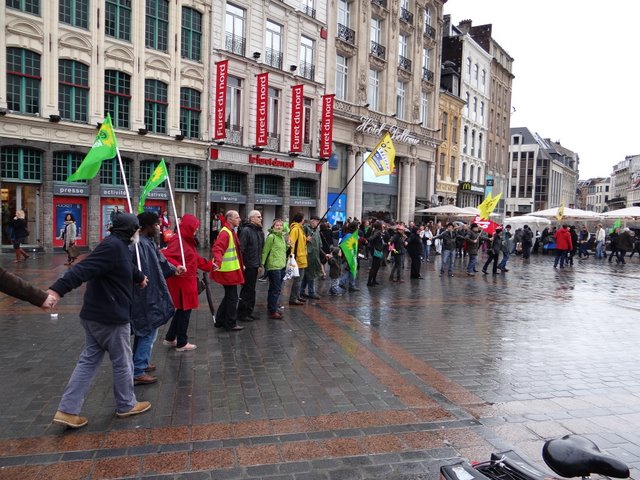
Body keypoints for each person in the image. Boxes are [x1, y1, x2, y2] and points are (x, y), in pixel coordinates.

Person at [46, 213, 151, 429]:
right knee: (123, 362)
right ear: (131, 231)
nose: (138, 233)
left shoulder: (117, 246)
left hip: (95, 315)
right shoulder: (112, 247)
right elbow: (82, 270)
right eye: (137, 230)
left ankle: (67, 410)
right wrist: (56, 291)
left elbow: (124, 266)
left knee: (88, 361)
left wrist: (139, 277)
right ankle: (126, 404)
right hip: (110, 317)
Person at [131, 212, 185, 385]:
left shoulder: (147, 243)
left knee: (146, 329)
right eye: (156, 224)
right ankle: (138, 369)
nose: (158, 228)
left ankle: (141, 361)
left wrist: (173, 268)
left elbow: (160, 261)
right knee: (148, 329)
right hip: (145, 293)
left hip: (150, 290)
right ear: (146, 226)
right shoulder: (138, 245)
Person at [163, 214, 213, 350]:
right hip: (182, 280)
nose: (196, 230)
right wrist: (177, 266)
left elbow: (194, 258)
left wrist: (209, 265)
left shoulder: (186, 240)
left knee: (182, 310)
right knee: (184, 311)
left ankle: (170, 337)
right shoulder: (178, 240)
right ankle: (182, 342)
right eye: (194, 228)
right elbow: (166, 256)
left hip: (187, 280)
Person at [211, 210, 245, 331]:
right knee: (232, 298)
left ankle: (220, 320)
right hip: (228, 271)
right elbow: (218, 248)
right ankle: (230, 323)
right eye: (237, 217)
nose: (239, 219)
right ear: (229, 219)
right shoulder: (226, 232)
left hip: (230, 270)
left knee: (229, 296)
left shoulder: (230, 231)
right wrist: (218, 262)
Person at [237, 210, 265, 322]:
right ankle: (242, 313)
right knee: (247, 290)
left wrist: (259, 264)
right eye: (258, 217)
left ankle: (249, 311)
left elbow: (259, 249)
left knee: (252, 290)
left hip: (255, 265)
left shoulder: (259, 231)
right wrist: (242, 264)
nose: (261, 218)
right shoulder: (246, 231)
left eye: (261, 216)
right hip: (248, 265)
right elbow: (241, 249)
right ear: (252, 218)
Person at [261, 218, 287, 319]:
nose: (279, 227)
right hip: (273, 266)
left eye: (281, 225)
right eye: (277, 225)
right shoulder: (271, 237)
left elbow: (282, 251)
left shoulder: (282, 238)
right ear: (273, 226)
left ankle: (272, 306)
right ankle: (273, 310)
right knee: (275, 289)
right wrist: (262, 264)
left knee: (275, 288)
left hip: (281, 266)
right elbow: (265, 251)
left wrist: (289, 245)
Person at [300, 215, 323, 299]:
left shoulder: (316, 230)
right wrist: (306, 239)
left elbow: (319, 243)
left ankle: (301, 291)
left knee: (307, 274)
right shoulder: (306, 228)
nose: (318, 223)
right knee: (311, 274)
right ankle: (311, 292)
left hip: (315, 255)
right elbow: (300, 240)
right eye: (317, 221)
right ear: (312, 221)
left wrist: (323, 253)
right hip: (308, 255)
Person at [288, 212, 308, 305]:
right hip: (298, 258)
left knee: (300, 279)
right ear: (301, 219)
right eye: (303, 218)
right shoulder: (295, 229)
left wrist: (306, 239)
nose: (304, 220)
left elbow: (301, 243)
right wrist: (292, 257)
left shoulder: (300, 229)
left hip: (302, 258)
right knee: (298, 280)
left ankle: (297, 296)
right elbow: (291, 244)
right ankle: (293, 298)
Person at [366, 221, 385, 286]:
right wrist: (368, 240)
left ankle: (373, 280)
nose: (383, 226)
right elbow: (371, 238)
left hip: (377, 250)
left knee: (376, 266)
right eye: (382, 225)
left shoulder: (376, 231)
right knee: (374, 267)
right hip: (376, 251)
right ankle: (369, 282)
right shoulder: (377, 232)